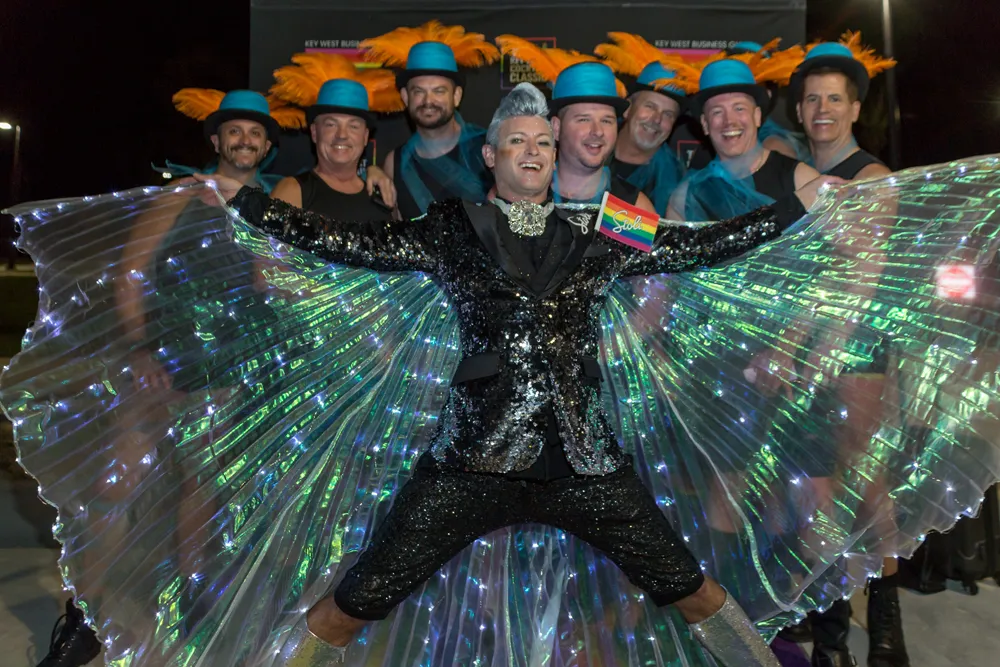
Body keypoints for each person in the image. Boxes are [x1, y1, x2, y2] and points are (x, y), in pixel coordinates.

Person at [201, 81, 840, 666]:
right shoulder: (450, 227)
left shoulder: (609, 224)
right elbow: (349, 243)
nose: (532, 151)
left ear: (554, 153)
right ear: (491, 156)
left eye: (542, 142)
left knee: (687, 585)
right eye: (517, 141)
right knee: (361, 595)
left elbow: (702, 243)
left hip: (585, 463)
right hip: (472, 461)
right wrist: (251, 204)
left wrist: (797, 208)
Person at [787, 37, 908, 667]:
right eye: (813, 100)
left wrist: (827, 351)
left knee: (864, 478)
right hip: (810, 345)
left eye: (834, 99)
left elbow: (862, 275)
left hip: (854, 347)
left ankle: (887, 625)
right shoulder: (799, 174)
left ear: (855, 108)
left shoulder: (871, 177)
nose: (823, 110)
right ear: (799, 111)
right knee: (820, 489)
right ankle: (831, 631)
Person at [359, 20, 497, 219]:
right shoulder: (395, 163)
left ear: (456, 96)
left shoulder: (489, 148)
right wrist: (369, 172)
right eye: (419, 91)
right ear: (405, 97)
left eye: (439, 91)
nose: (428, 101)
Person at [493, 37, 652, 209]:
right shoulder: (515, 196)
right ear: (556, 128)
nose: (598, 131)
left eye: (606, 120)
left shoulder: (633, 208)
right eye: (584, 119)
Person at [666, 58, 825, 223]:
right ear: (705, 124)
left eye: (739, 108)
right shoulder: (686, 198)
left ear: (757, 116)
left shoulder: (802, 180)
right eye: (717, 112)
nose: (729, 121)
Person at [268, 54, 403, 219]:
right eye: (331, 125)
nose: (342, 135)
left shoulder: (383, 196)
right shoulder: (292, 191)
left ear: (365, 136)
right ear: (314, 133)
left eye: (353, 126)